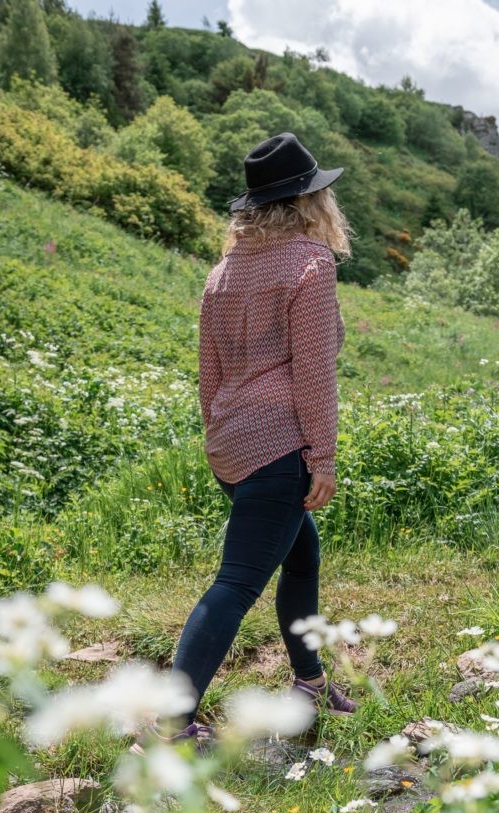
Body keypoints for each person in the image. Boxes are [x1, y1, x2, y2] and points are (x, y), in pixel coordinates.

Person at [131, 132, 358, 755]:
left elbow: (209, 373)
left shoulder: (223, 273)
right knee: (234, 584)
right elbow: (314, 372)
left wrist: (221, 438)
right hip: (281, 447)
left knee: (302, 555)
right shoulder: (310, 264)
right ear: (309, 201)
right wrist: (323, 457)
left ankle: (309, 682)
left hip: (232, 444)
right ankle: (171, 719)